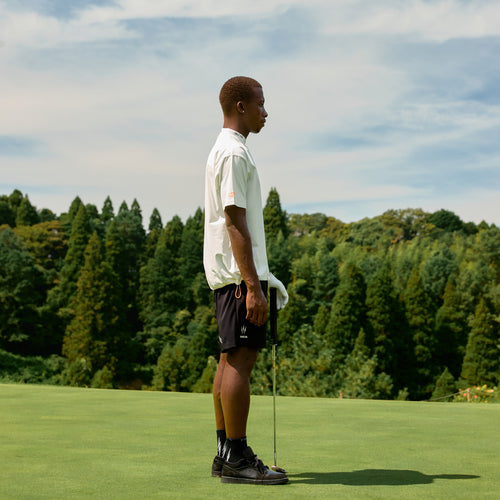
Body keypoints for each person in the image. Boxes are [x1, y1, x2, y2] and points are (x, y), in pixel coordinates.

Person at [203, 76, 289, 485]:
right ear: (240, 106)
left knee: (227, 361)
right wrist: (253, 286)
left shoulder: (222, 150)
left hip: (228, 278)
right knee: (240, 362)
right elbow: (235, 221)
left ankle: (225, 453)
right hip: (240, 279)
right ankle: (238, 458)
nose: (265, 112)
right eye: (260, 104)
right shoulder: (234, 153)